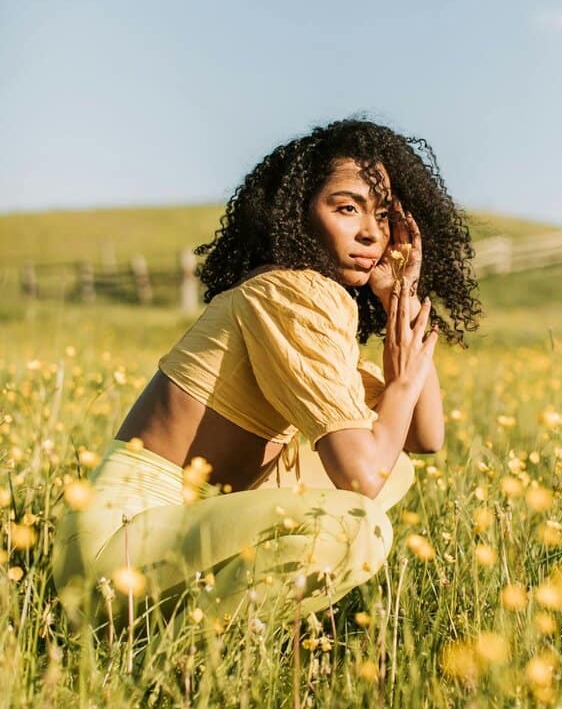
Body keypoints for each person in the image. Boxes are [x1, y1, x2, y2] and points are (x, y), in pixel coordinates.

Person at [52, 118, 480, 632]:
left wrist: (399, 297)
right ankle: (194, 656)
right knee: (354, 528)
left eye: (384, 216)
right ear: (299, 214)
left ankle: (200, 631)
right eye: (347, 208)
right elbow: (363, 476)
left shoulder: (307, 305)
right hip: (120, 545)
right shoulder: (291, 294)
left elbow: (421, 437)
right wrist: (402, 383)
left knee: (395, 467)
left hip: (165, 538)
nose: (371, 232)